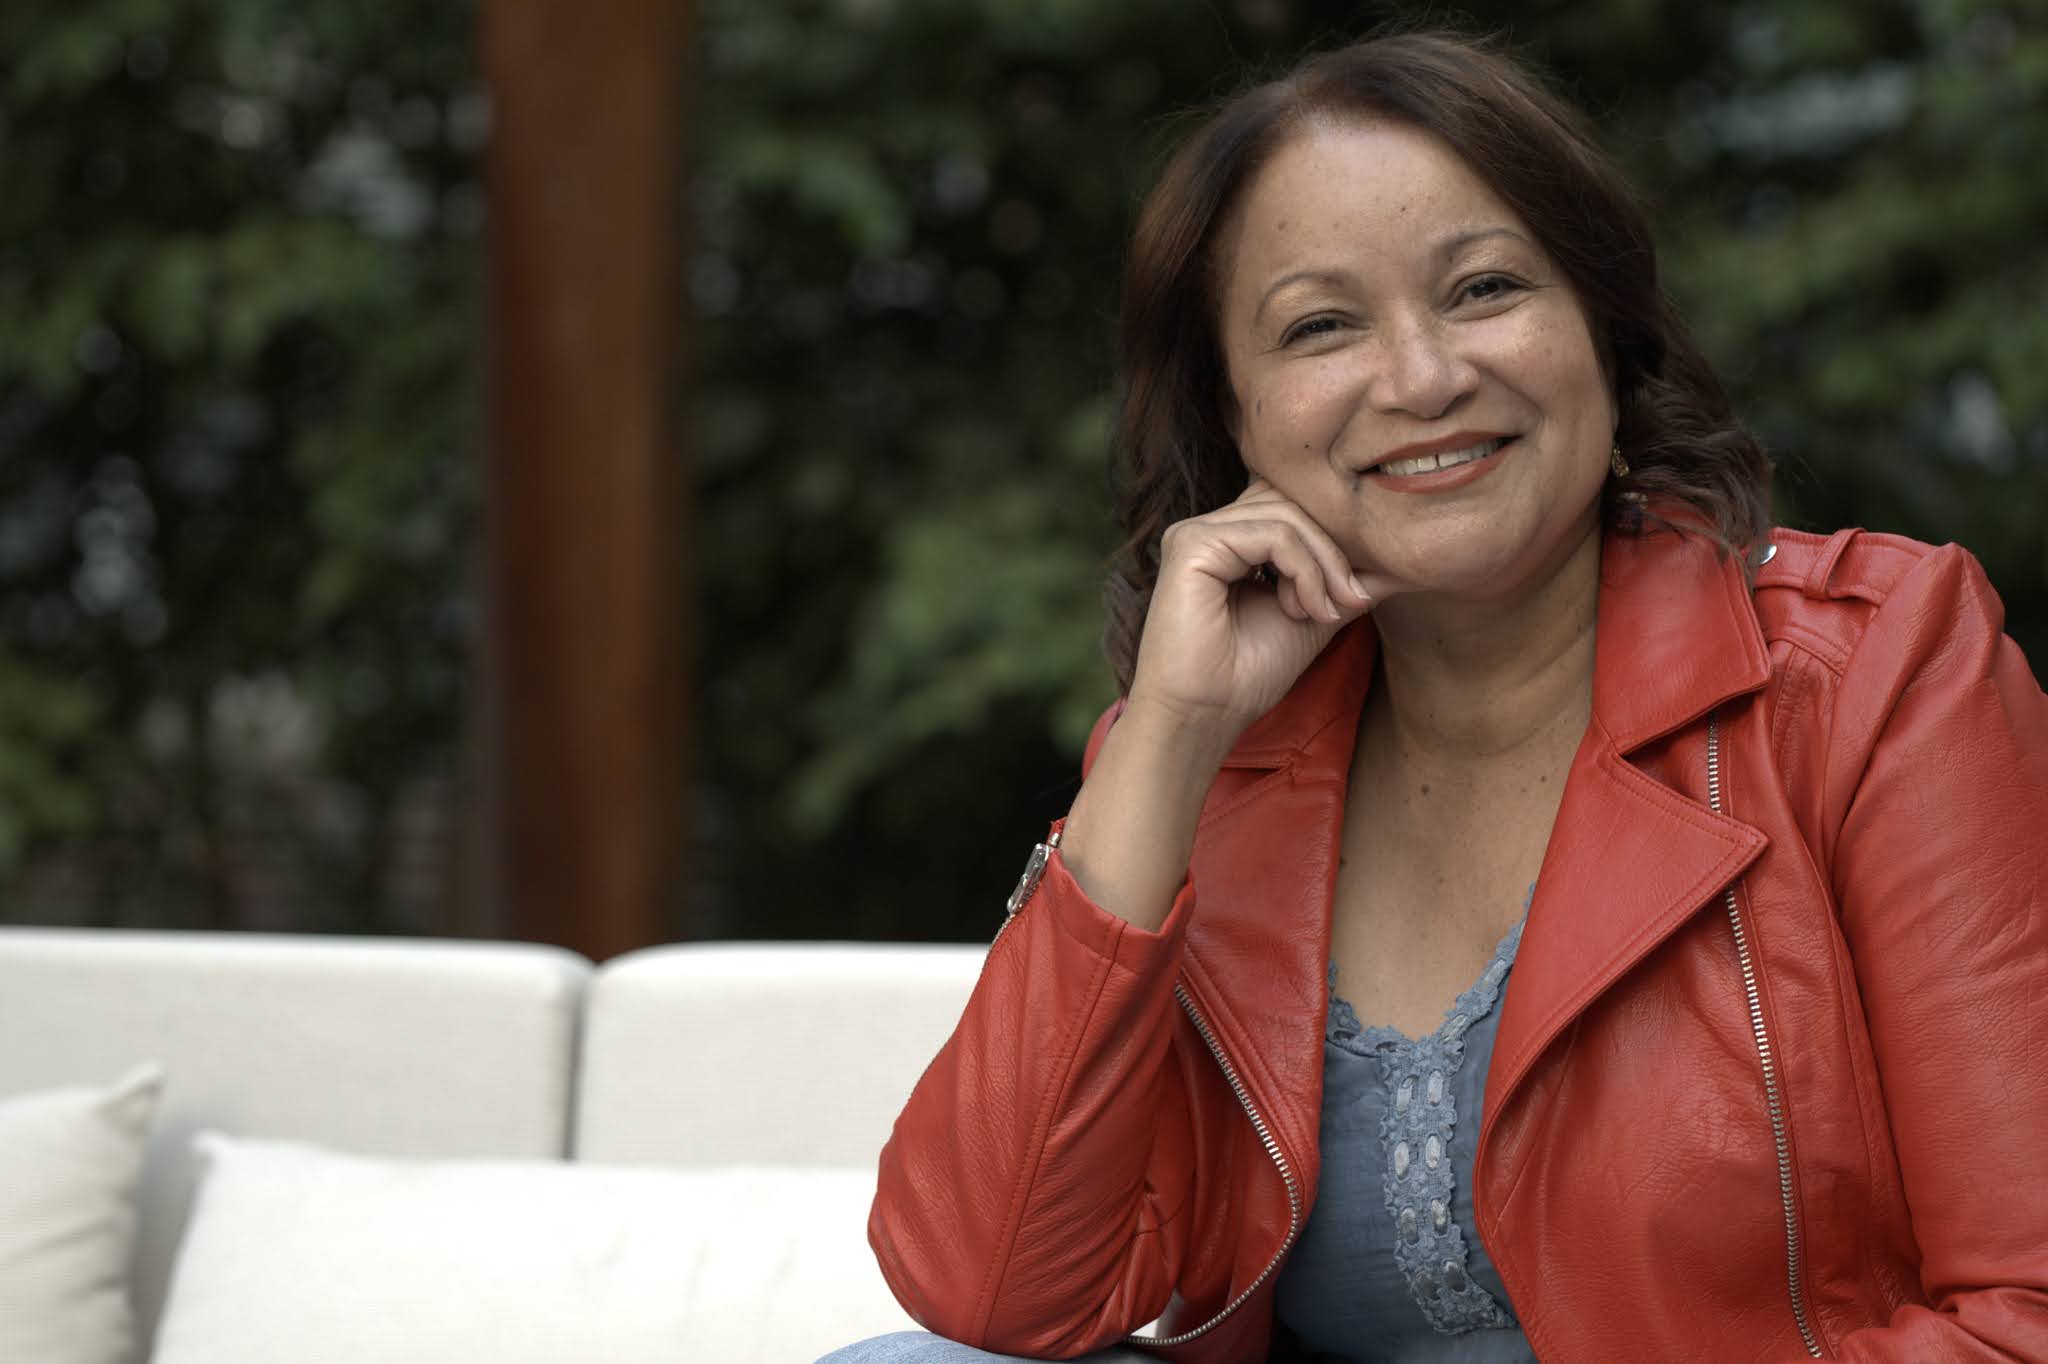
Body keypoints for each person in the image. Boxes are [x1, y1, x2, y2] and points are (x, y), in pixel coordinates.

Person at [823, 29, 2048, 1364]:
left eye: (1483, 290)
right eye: (1322, 326)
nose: (1422, 377)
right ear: (1235, 414)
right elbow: (991, 1288)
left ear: (1604, 331)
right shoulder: (1208, 759)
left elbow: (2024, 1313)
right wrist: (1166, 739)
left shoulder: (1869, 675)